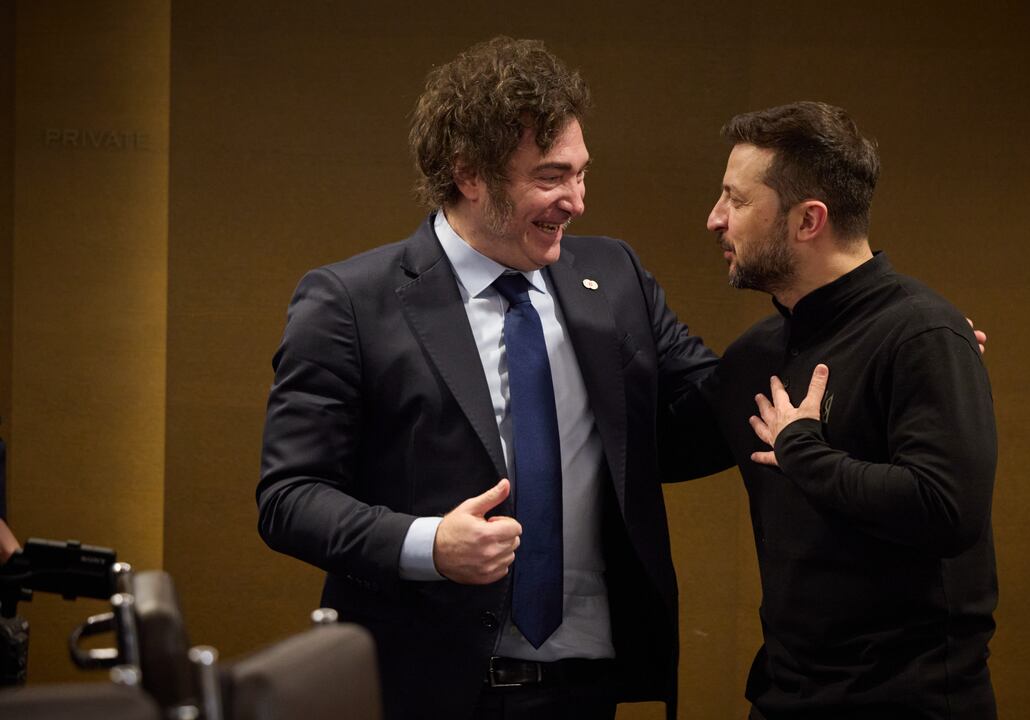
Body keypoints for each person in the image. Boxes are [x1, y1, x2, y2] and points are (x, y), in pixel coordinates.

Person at [257, 37, 726, 720]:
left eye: (582, 173)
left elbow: (706, 413)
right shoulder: (349, 303)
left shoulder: (614, 278)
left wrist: (809, 306)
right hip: (422, 686)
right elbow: (289, 497)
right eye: (551, 176)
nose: (577, 201)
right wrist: (428, 546)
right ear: (470, 174)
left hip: (584, 687)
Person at [706, 102, 999, 719]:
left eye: (736, 200)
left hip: (908, 702)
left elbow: (947, 510)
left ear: (808, 220)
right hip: (786, 696)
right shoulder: (754, 354)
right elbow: (649, 445)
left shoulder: (921, 332)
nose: (715, 219)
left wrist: (805, 452)